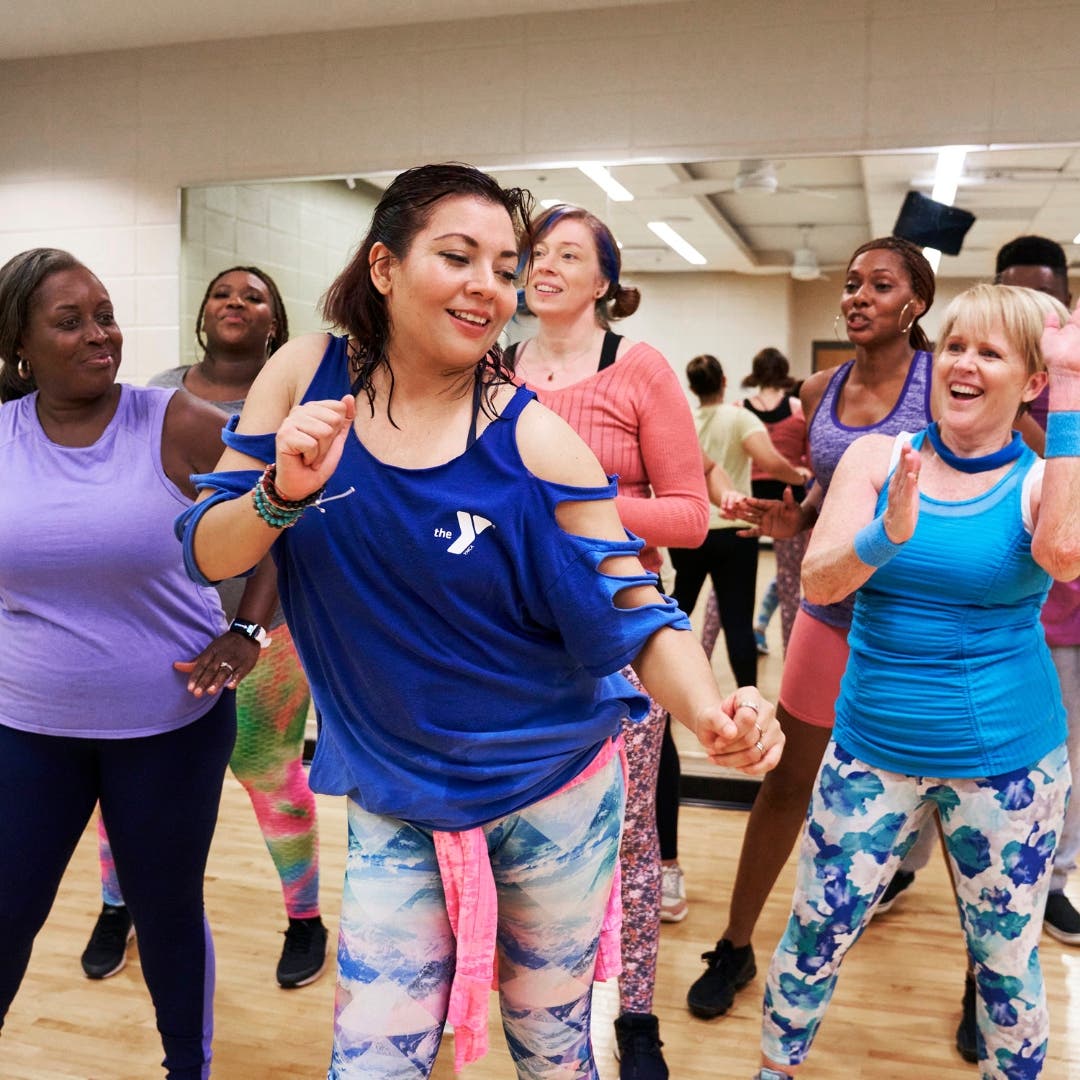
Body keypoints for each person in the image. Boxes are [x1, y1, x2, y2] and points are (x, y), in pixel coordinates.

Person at [176, 163, 785, 1080]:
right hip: (394, 793)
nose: (488, 287)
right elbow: (208, 552)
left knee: (550, 1050)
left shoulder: (533, 435)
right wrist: (278, 495)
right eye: (457, 257)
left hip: (550, 788)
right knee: (372, 1060)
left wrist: (711, 714)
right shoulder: (305, 374)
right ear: (383, 266)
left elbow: (638, 607)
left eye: (506, 267)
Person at [754, 282, 1079, 1080]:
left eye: (990, 352)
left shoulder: (1039, 480)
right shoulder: (877, 458)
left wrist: (1073, 391)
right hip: (870, 752)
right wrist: (884, 534)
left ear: (1031, 382)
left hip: (1007, 765)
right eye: (955, 347)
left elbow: (1066, 555)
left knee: (1006, 966)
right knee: (812, 938)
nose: (963, 364)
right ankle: (772, 1070)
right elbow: (823, 586)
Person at [0, 248, 253, 1078]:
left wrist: (246, 632)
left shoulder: (174, 421)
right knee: (7, 911)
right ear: (20, 345)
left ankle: (190, 1067)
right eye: (69, 321)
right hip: (27, 728)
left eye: (104, 314)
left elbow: (282, 517)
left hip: (169, 725)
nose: (99, 334)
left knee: (165, 908)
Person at [686, 236, 936, 1022]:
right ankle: (734, 944)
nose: (858, 295)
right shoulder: (821, 384)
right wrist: (798, 515)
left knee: (947, 794)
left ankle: (975, 982)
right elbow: (833, 491)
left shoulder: (942, 386)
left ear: (914, 305)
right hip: (831, 611)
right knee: (787, 777)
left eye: (880, 284)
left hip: (916, 616)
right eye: (853, 282)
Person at [505, 202, 712, 1076]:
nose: (544, 266)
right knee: (515, 824)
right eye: (535, 253)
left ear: (605, 283)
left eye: (567, 255)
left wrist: (574, 501)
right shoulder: (492, 366)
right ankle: (524, 998)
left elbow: (690, 517)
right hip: (509, 632)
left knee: (628, 837)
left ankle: (633, 1019)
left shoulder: (639, 369)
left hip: (619, 623)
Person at [81, 266, 327, 990]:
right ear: (203, 313)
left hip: (268, 625)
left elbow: (296, 525)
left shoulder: (296, 400)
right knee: (122, 773)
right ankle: (113, 906)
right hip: (156, 622)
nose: (235, 304)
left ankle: (304, 918)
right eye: (223, 293)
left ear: (274, 323)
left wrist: (247, 631)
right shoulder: (156, 389)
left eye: (253, 297)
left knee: (266, 773)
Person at [741, 349, 811, 654]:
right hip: (789, 501)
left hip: (749, 501)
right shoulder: (798, 409)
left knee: (729, 588)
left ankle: (711, 648)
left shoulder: (739, 409)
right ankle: (791, 654)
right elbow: (809, 458)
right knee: (789, 583)